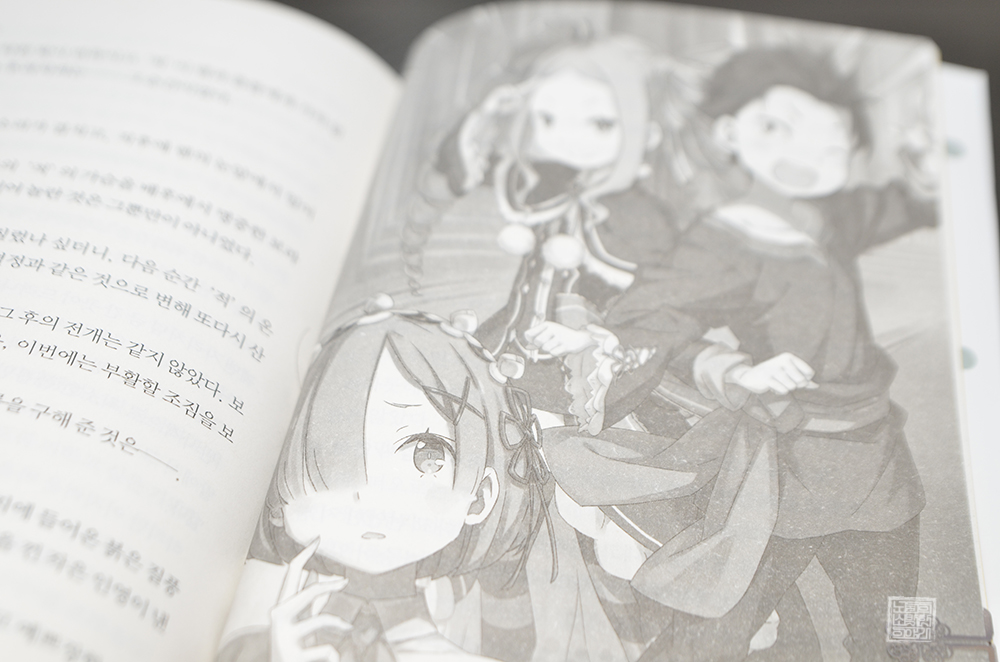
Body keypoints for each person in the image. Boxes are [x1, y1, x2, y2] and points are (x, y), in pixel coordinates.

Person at [541, 47, 934, 660]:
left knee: (902, 635)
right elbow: (649, 323)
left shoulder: (833, 218)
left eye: (831, 139)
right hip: (781, 477)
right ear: (731, 132)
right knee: (707, 637)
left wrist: (930, 173)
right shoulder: (722, 240)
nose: (805, 154)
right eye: (777, 128)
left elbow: (905, 204)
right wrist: (735, 371)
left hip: (878, 469)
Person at [216, 304, 550, 662]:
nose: (368, 492)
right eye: (328, 455)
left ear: (480, 496)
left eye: (427, 454)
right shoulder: (251, 650)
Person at [426, 37, 686, 436]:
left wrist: (585, 337)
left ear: (647, 135)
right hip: (514, 334)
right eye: (548, 119)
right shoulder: (544, 178)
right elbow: (462, 171)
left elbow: (659, 306)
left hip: (591, 359)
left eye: (600, 124)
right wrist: (488, 115)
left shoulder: (645, 217)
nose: (567, 139)